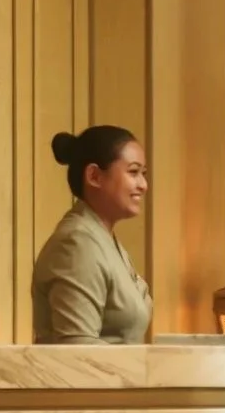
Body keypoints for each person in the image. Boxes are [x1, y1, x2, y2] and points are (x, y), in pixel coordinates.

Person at [31, 126, 152, 344]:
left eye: (143, 174)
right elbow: (79, 352)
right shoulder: (76, 244)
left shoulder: (102, 238)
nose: (143, 185)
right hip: (90, 378)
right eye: (133, 172)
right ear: (94, 176)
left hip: (119, 377)